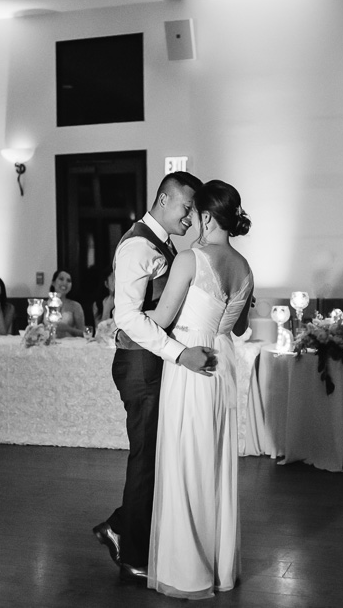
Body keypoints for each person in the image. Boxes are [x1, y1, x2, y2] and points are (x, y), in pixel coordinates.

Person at [92, 171, 217, 584]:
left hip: (153, 360)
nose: (189, 217)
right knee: (145, 460)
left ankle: (120, 526)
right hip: (140, 364)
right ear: (164, 200)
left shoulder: (161, 242)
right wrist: (181, 354)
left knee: (158, 456)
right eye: (186, 207)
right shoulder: (137, 245)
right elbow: (126, 317)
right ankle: (130, 554)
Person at [145, 179, 253, 599]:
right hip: (223, 367)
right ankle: (219, 567)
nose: (191, 220)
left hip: (191, 366)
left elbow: (162, 317)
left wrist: (125, 312)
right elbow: (240, 327)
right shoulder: (244, 268)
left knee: (185, 463)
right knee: (216, 465)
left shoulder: (190, 260)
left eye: (195, 213)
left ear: (207, 216)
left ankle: (189, 570)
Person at [44, 269, 86, 338]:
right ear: (53, 283)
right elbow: (34, 328)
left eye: (68, 281)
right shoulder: (44, 305)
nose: (65, 283)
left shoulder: (75, 306)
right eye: (61, 279)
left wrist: (68, 329)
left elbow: (83, 333)